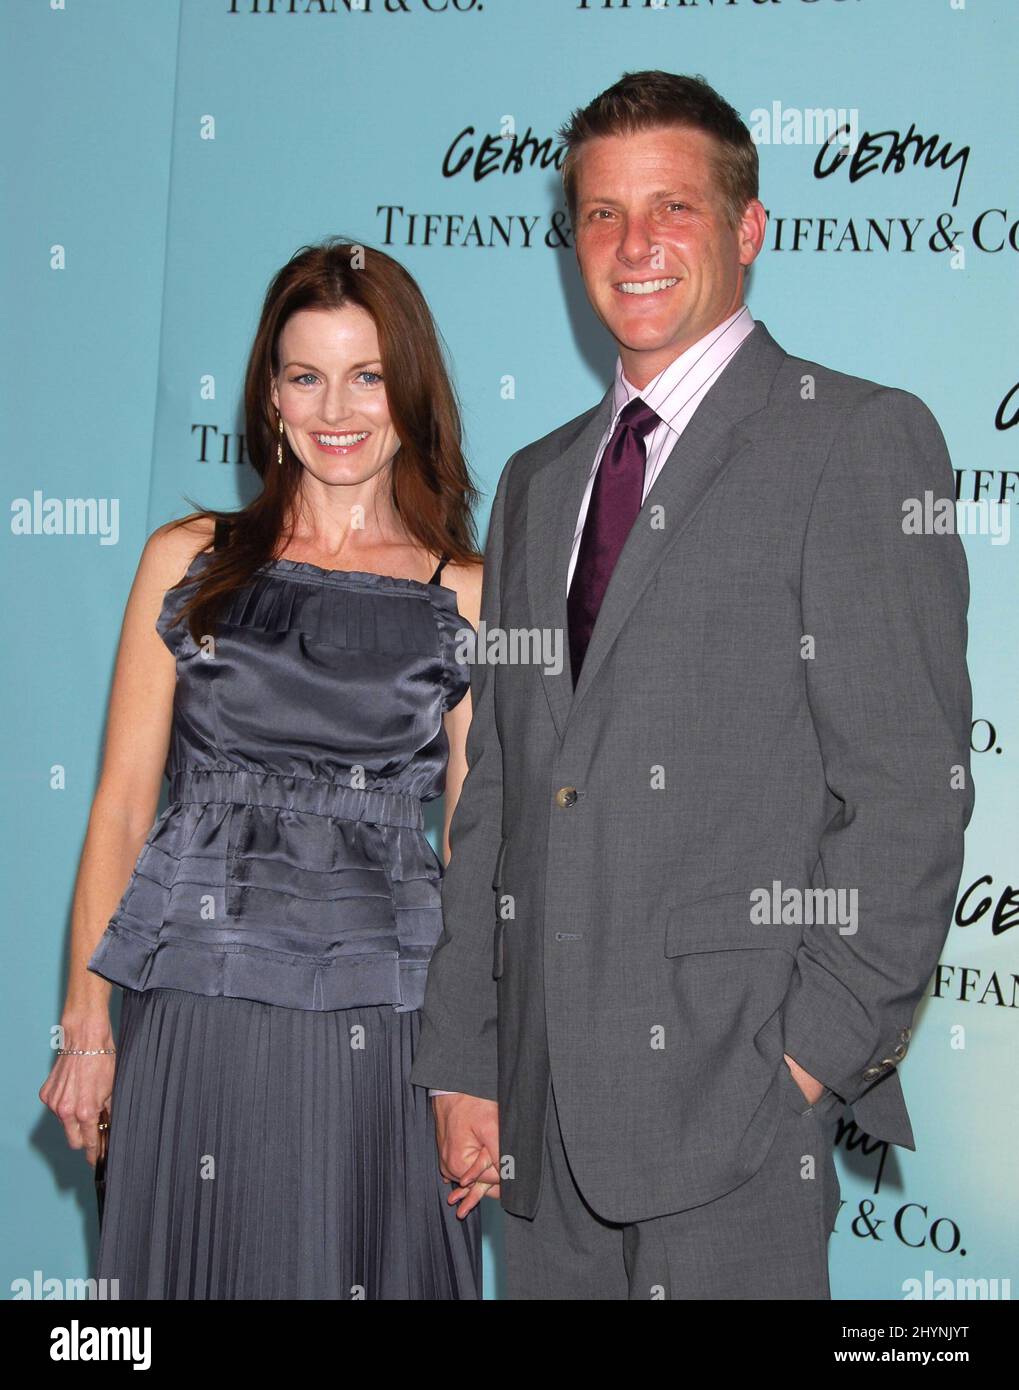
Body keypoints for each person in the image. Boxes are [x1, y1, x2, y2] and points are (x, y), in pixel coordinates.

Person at [410, 72, 974, 1299]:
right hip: (541, 1132)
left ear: (747, 229)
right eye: (602, 214)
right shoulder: (535, 482)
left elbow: (907, 795)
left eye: (670, 207)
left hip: (731, 1122)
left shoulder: (853, 440)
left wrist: (799, 1066)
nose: (633, 245)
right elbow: (497, 790)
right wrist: (465, 1054)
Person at [39, 237, 485, 1299]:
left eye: (367, 374)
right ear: (271, 396)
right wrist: (86, 1023)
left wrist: (475, 1066)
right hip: (195, 1003)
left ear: (408, 390)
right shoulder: (187, 560)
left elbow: (478, 858)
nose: (337, 406)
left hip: (387, 1022)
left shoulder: (465, 591)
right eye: (306, 374)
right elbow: (117, 812)